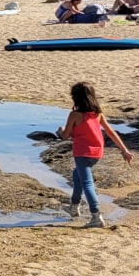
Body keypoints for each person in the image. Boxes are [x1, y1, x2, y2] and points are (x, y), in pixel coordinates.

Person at [57, 82, 133, 228]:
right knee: (76, 175)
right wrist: (124, 150)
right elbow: (111, 132)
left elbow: (65, 136)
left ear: (76, 98)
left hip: (82, 153)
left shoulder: (74, 115)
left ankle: (96, 215)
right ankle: (74, 206)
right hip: (96, 153)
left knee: (87, 182)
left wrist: (61, 131)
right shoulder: (97, 114)